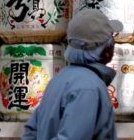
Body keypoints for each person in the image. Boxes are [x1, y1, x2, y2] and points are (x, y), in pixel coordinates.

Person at [21, 8, 121, 140]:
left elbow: (31, 131)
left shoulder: (59, 79)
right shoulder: (88, 88)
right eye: (112, 38)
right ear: (106, 49)